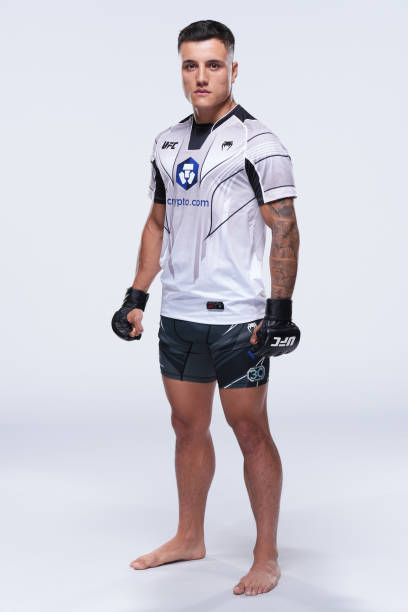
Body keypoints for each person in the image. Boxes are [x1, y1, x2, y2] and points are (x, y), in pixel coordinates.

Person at [112, 19, 301, 597]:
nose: (201, 76)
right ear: (181, 70)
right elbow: (157, 222)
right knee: (186, 426)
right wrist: (136, 296)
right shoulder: (166, 142)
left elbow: (285, 228)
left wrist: (279, 310)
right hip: (180, 314)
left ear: (233, 70)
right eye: (191, 65)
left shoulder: (260, 143)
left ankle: (266, 554)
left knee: (250, 429)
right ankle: (189, 536)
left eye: (213, 65)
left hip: (239, 318)